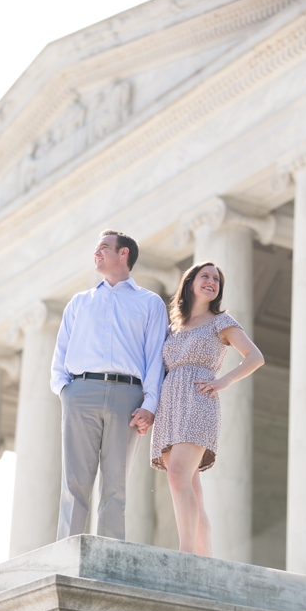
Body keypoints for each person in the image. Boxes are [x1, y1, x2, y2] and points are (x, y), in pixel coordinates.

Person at [51, 230, 168, 540]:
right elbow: (60, 353)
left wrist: (150, 405)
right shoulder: (79, 303)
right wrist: (65, 391)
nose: (97, 253)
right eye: (96, 248)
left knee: (116, 483)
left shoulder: (150, 303)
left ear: (124, 253)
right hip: (80, 392)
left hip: (128, 396)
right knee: (74, 481)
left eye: (104, 247)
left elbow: (155, 357)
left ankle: (109, 554)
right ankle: (66, 553)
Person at [150, 262, 264, 556]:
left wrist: (224, 380)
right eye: (206, 276)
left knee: (177, 475)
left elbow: (255, 357)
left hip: (199, 400)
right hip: (169, 403)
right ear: (190, 283)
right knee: (190, 486)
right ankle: (204, 556)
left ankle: (186, 553)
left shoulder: (221, 322)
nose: (212, 282)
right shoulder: (173, 326)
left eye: (216, 279)